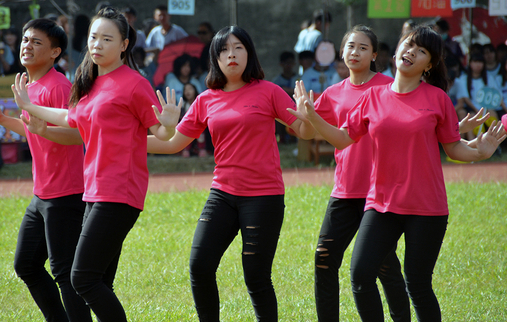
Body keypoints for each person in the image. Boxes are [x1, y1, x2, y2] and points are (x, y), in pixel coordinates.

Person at [291, 25, 505, 321]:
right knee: (361, 275)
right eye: (409, 45)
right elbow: (342, 138)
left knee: (417, 285)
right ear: (397, 50)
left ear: (428, 65)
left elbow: (454, 148)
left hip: (426, 207)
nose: (411, 52)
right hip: (380, 206)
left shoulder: (437, 99)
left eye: (421, 51)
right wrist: (312, 115)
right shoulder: (373, 97)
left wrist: (480, 151)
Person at [11, 7, 181, 322]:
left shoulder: (134, 83)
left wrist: (169, 124)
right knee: (98, 281)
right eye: (93, 37)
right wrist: (30, 109)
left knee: (81, 278)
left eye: (107, 38)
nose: (97, 44)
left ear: (124, 45)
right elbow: (70, 118)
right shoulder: (88, 82)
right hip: (93, 193)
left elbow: (158, 131)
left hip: (119, 192)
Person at [147, 25, 315, 321]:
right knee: (199, 266)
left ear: (249, 53)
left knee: (256, 277)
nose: (231, 54)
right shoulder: (206, 99)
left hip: (263, 197)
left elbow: (303, 130)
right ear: (215, 59)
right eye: (223, 49)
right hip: (222, 194)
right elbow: (173, 143)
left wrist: (308, 116)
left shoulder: (269, 91)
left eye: (238, 47)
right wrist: (119, 141)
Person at [293, 25, 410, 322]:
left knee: (385, 266)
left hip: (379, 194)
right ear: (341, 53)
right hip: (344, 192)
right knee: (323, 259)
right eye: (349, 47)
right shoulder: (333, 93)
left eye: (362, 47)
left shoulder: (389, 87)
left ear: (374, 54)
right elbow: (306, 132)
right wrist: (304, 114)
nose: (354, 52)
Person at [0, 18, 91, 322]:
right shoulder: (30, 86)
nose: (27, 46)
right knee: (27, 265)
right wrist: (3, 119)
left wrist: (39, 127)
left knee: (64, 272)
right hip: (42, 194)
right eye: (25, 40)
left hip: (66, 193)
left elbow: (80, 133)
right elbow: (35, 128)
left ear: (55, 52)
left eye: (36, 42)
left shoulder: (59, 86)